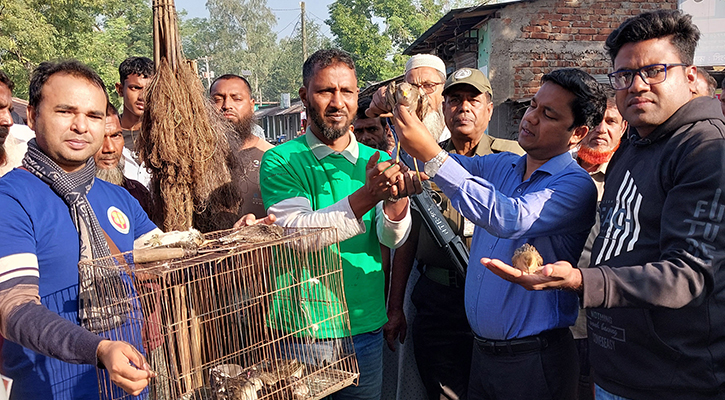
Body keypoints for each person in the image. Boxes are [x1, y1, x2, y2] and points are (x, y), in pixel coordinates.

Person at [482, 10, 725, 400]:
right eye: (624, 75)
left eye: (655, 70)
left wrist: (581, 281)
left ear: (690, 75)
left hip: (672, 382)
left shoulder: (705, 150)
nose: (637, 85)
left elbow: (689, 274)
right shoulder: (634, 142)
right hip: (613, 368)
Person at [393, 67, 605, 400]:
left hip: (533, 360)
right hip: (484, 354)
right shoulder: (504, 165)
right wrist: (403, 112)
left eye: (548, 114)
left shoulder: (575, 185)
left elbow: (509, 218)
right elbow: (421, 161)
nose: (531, 118)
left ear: (577, 133)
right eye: (533, 105)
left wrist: (432, 155)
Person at [260, 48, 418, 400]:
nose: (337, 102)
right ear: (304, 97)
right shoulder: (281, 160)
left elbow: (391, 239)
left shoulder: (376, 159)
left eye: (346, 91)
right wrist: (369, 194)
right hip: (301, 331)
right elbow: (297, 233)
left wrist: (395, 202)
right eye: (325, 91)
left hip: (364, 327)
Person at [0, 60, 159, 399]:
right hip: (46, 389)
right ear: (31, 115)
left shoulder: (118, 197)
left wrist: (239, 235)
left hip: (127, 387)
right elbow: (13, 308)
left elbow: (162, 252)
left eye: (94, 115)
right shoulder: (11, 198)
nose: (80, 126)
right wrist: (98, 349)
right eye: (65, 111)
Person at [388, 67, 524, 400]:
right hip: (439, 297)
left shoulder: (513, 158)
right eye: (454, 99)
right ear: (444, 108)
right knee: (444, 393)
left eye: (473, 100)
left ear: (489, 108)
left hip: (496, 295)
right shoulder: (421, 159)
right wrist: (395, 306)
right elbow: (407, 236)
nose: (463, 107)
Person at [571, 86, 627, 400]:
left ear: (623, 127)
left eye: (610, 121)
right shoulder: (558, 170)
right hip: (556, 309)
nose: (601, 130)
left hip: (605, 311)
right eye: (595, 121)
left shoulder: (626, 176)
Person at [210, 74, 273, 218]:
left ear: (252, 105)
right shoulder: (198, 159)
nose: (226, 106)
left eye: (236, 98)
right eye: (217, 100)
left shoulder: (271, 157)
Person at [94, 103, 151, 215]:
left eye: (116, 135)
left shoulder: (137, 194)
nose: (110, 148)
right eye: (100, 137)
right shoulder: (70, 196)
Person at [115, 57, 154, 152]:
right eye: (136, 88)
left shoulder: (162, 135)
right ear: (120, 89)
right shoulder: (107, 132)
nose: (143, 97)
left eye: (150, 90)